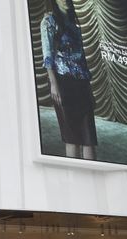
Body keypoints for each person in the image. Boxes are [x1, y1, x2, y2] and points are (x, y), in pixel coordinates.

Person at [41, 0, 97, 159]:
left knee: (89, 139)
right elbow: (48, 55)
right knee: (72, 138)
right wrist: (53, 84)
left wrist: (90, 89)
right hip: (63, 83)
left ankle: (93, 178)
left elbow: (82, 60)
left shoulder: (74, 26)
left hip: (82, 84)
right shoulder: (49, 21)